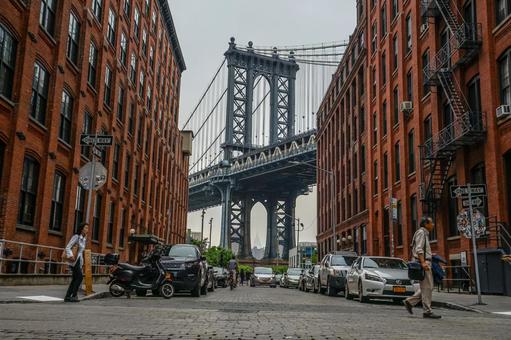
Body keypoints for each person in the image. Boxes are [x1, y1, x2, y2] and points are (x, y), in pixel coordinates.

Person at [404, 217, 441, 319]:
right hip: (424, 263)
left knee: (428, 287)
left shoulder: (422, 233)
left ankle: (410, 301)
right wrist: (423, 262)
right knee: (427, 287)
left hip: (425, 261)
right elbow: (419, 248)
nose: (433, 224)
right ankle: (427, 311)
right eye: (431, 222)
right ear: (425, 224)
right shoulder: (422, 233)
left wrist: (429, 254)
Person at [64, 223, 88, 302]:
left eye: (87, 228)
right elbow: (68, 247)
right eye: (86, 228)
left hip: (78, 261)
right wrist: (70, 255)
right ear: (81, 229)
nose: (87, 229)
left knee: (75, 278)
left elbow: (81, 252)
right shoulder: (76, 237)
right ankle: (74, 295)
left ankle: (68, 296)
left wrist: (82, 263)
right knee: (80, 277)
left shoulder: (83, 239)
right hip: (74, 260)